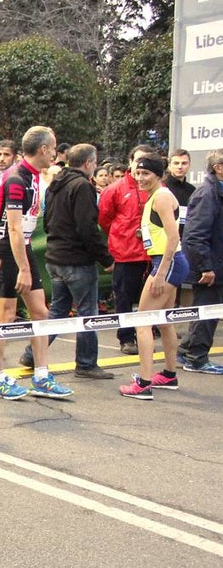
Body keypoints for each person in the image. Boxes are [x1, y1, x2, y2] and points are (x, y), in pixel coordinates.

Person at [0, 126, 73, 401]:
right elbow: (12, 228)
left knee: (40, 312)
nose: (57, 154)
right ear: (44, 149)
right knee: (7, 314)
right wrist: (22, 268)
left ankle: (42, 375)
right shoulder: (16, 178)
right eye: (55, 147)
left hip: (21, 246)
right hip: (6, 248)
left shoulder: (35, 177)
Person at [40, 144, 116, 379]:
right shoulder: (82, 186)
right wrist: (105, 258)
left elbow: (47, 220)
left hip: (55, 257)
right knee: (88, 312)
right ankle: (86, 363)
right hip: (76, 260)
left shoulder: (55, 183)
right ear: (88, 163)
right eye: (95, 163)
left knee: (58, 310)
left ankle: (32, 354)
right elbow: (87, 227)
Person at [119, 156, 189, 399]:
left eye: (146, 174)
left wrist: (160, 274)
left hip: (167, 263)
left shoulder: (160, 197)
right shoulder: (158, 196)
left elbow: (173, 238)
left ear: (158, 175)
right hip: (168, 262)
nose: (140, 178)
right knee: (163, 320)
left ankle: (144, 383)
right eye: (137, 174)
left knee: (143, 321)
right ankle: (169, 375)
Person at [100, 145, 158, 355]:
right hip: (125, 252)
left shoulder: (157, 189)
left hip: (152, 253)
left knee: (151, 296)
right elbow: (104, 219)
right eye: (138, 161)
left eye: (146, 162)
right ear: (130, 162)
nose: (141, 167)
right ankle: (126, 338)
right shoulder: (115, 189)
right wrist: (121, 234)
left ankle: (147, 333)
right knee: (124, 297)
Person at [177, 149, 223, 374]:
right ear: (219, 167)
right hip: (209, 267)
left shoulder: (217, 192)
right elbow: (195, 234)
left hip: (215, 263)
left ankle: (187, 349)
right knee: (207, 312)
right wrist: (206, 266)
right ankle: (196, 358)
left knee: (206, 312)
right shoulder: (207, 194)